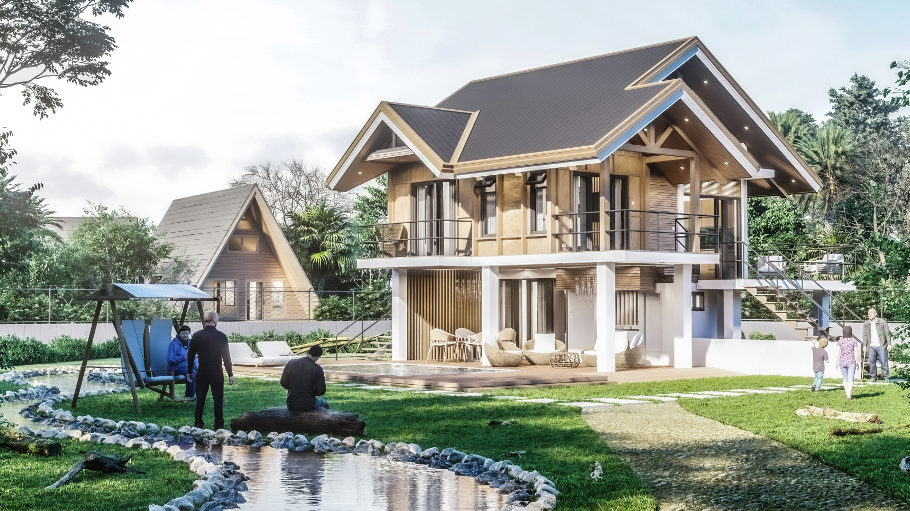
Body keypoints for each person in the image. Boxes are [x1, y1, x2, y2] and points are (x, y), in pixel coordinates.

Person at [187, 311, 233, 430]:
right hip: (215, 370)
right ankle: (218, 425)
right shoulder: (221, 336)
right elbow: (226, 356)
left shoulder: (197, 335)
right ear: (214, 319)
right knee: (217, 398)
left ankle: (198, 423)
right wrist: (230, 374)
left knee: (200, 397)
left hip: (202, 369)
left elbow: (190, 355)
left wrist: (189, 371)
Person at [280, 345, 327, 411]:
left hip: (291, 403)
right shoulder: (317, 368)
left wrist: (294, 388)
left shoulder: (291, 363)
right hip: (308, 404)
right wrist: (309, 392)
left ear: (308, 352)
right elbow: (321, 391)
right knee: (323, 402)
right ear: (317, 357)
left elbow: (283, 383)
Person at [167, 324, 198, 401]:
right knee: (192, 373)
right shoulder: (173, 344)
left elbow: (193, 357)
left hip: (187, 366)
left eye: (187, 333)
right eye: (183, 333)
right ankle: (189, 396)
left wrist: (197, 364)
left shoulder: (191, 344)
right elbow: (170, 359)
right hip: (175, 368)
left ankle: (199, 395)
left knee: (200, 371)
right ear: (179, 334)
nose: (185, 335)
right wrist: (182, 357)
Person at [863, 308, 891, 382]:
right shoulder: (866, 323)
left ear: (875, 314)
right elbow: (865, 335)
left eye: (871, 313)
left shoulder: (882, 322)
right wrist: (864, 345)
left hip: (881, 345)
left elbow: (887, 333)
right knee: (872, 362)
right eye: (868, 313)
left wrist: (889, 344)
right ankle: (873, 377)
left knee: (883, 362)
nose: (869, 314)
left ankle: (886, 377)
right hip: (871, 346)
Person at [837, 325, 860, 400]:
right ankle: (849, 395)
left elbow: (837, 353)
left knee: (845, 378)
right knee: (850, 379)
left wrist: (835, 362)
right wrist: (858, 362)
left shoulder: (840, 342)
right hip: (851, 362)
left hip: (842, 362)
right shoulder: (854, 341)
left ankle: (847, 393)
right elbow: (856, 353)